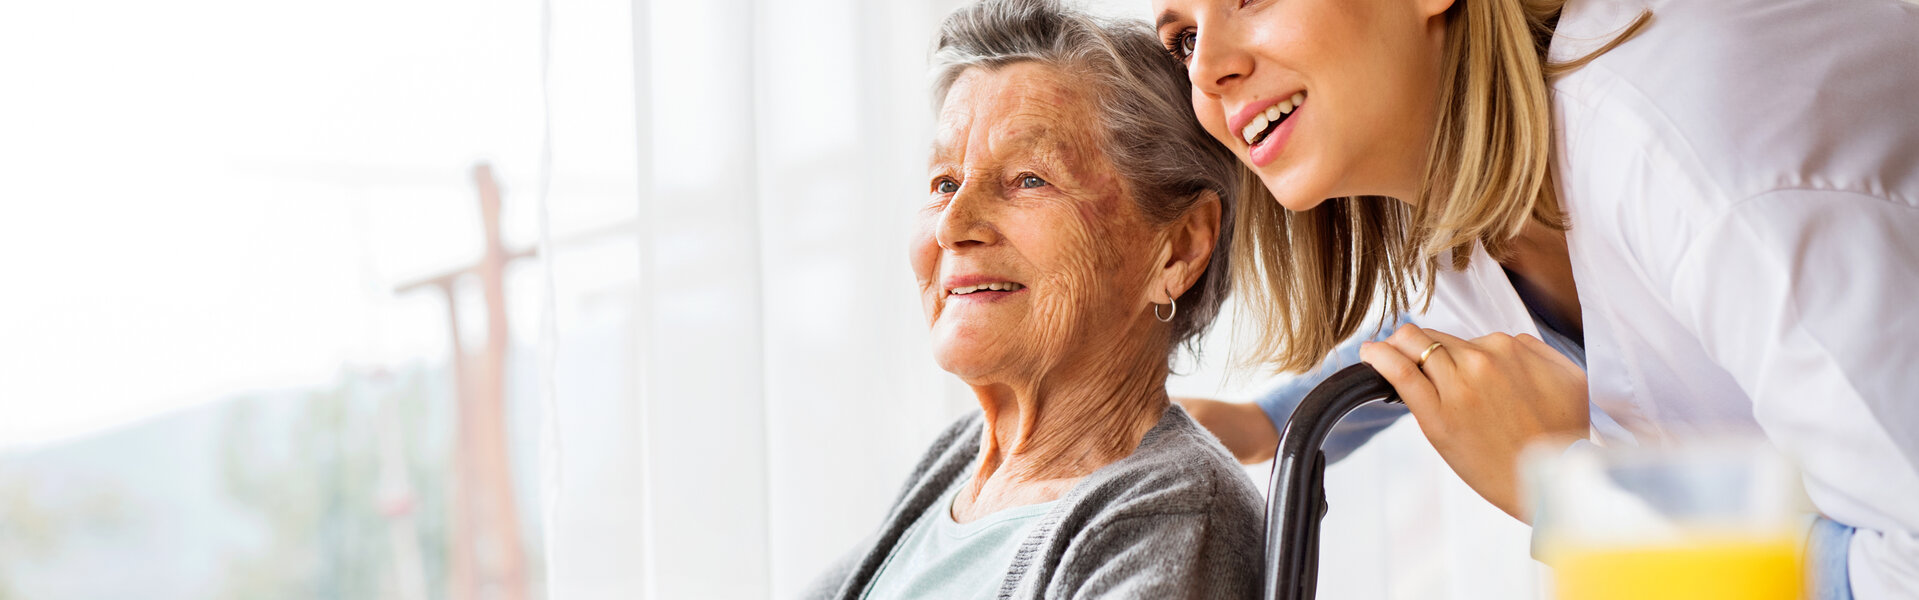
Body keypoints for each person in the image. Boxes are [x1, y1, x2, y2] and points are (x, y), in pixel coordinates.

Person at [1152, 0, 1919, 596]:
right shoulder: (1488, 196)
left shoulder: (1700, 156)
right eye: (1183, 37)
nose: (1207, 71)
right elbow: (1449, 322)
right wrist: (1270, 421)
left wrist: (1580, 496)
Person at [803, 1, 1262, 597]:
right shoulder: (967, 462)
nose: (953, 225)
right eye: (944, 183)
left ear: (1177, 248)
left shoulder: (1169, 518)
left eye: (1029, 178)